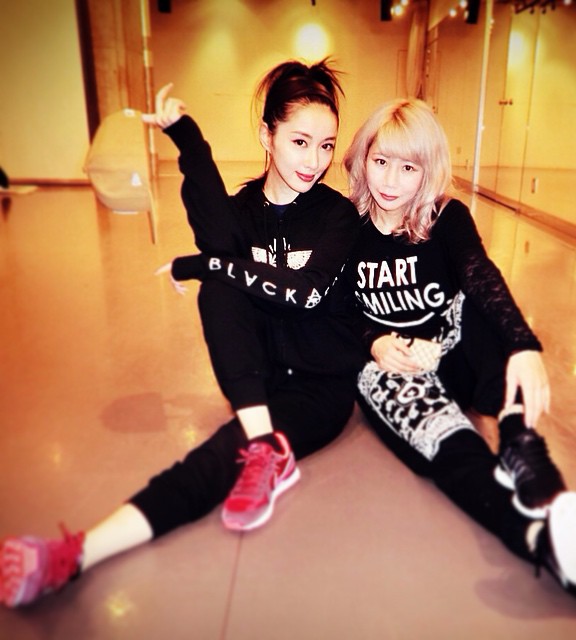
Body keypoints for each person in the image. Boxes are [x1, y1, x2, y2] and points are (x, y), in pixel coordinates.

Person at [0, 59, 365, 608]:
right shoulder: (242, 211)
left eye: (326, 145)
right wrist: (186, 139)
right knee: (219, 285)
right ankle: (265, 445)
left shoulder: (338, 217)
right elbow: (215, 235)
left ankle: (73, 555)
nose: (314, 161)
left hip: (319, 386)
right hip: (260, 379)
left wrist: (202, 266)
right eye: (299, 142)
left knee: (218, 455)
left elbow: (305, 293)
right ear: (266, 135)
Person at [341, 97, 576, 618]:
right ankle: (542, 543)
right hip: (394, 368)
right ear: (363, 157)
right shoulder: (344, 227)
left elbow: (478, 273)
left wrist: (523, 345)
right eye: (381, 161)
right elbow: (335, 308)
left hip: (452, 352)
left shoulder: (445, 216)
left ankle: (520, 442)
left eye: (409, 168)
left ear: (428, 171)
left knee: (477, 306)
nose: (391, 180)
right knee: (450, 450)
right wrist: (374, 341)